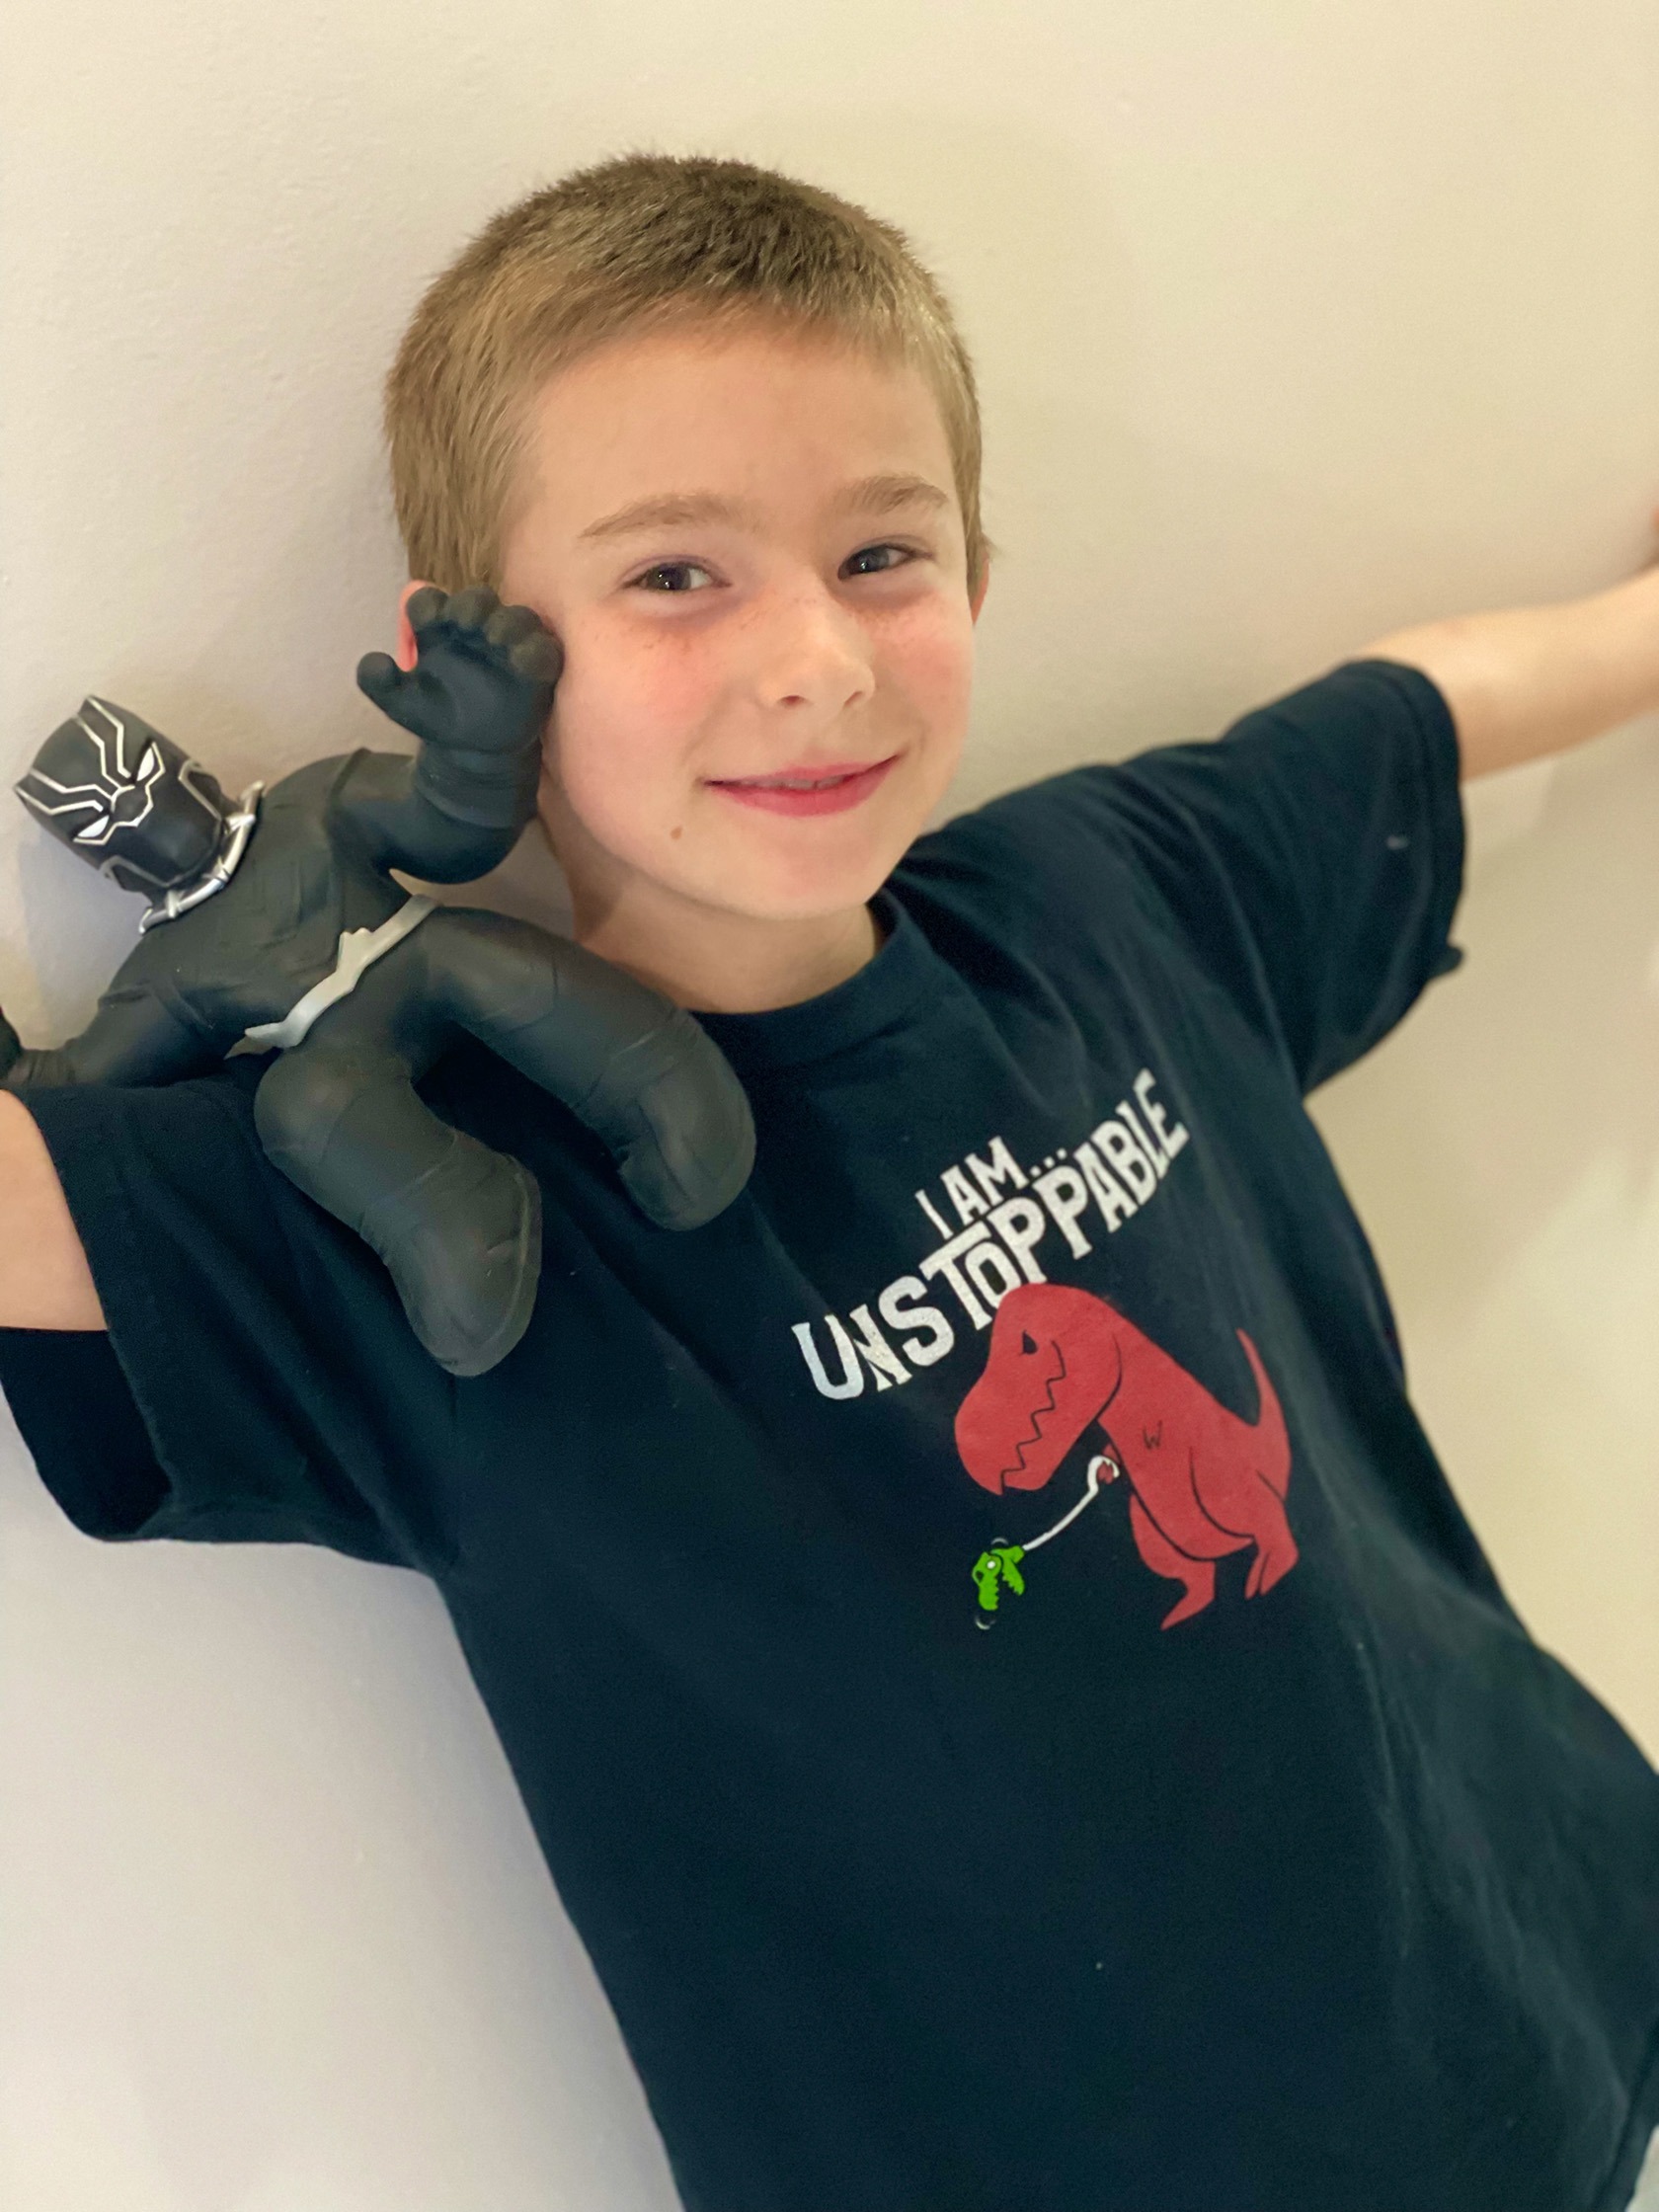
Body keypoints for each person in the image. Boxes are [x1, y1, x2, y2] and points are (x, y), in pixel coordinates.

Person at [2, 150, 1656, 2212]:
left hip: (1557, 1994)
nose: (816, 660)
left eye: (883, 551)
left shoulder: (1108, 894)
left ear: (980, 568)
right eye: (675, 576)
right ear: (475, 657)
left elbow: (1419, 713)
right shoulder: (425, 1223)